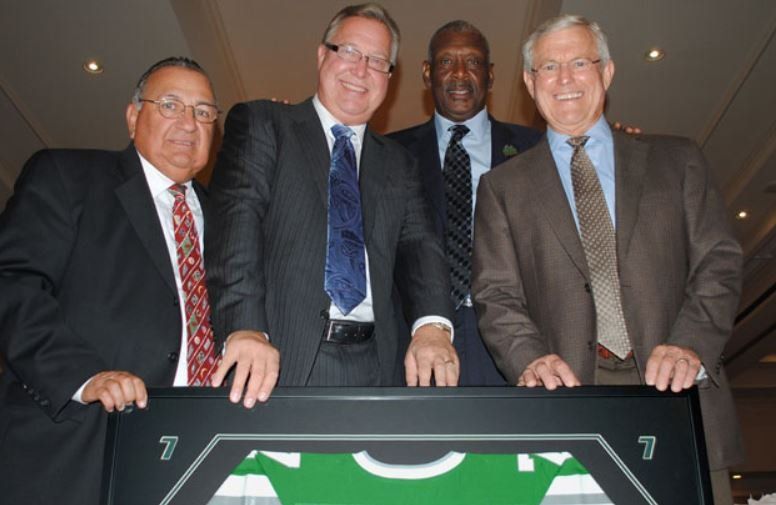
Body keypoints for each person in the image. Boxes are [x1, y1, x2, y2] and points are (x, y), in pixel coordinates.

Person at [471, 15, 743, 504]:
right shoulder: (501, 188)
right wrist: (529, 358)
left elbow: (719, 262)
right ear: (530, 83)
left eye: (579, 62)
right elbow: (495, 294)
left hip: (681, 396)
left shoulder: (677, 160)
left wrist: (690, 343)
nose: (565, 78)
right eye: (549, 66)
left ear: (608, 72)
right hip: (568, 407)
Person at [0, 57, 266, 505]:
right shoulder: (68, 177)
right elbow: (12, 282)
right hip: (74, 452)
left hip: (198, 459)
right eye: (170, 105)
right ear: (132, 116)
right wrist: (84, 377)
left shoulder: (231, 218)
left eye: (204, 112)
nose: (189, 123)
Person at [206, 3, 457, 397]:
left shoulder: (399, 163)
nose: (361, 70)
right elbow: (237, 224)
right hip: (280, 362)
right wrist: (244, 326)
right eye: (350, 52)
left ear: (390, 78)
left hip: (379, 368)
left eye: (377, 61)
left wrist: (432, 326)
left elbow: (421, 247)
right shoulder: (265, 125)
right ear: (323, 55)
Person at [389, 21, 541, 385]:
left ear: (489, 76)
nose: (459, 74)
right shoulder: (389, 153)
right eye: (446, 63)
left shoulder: (537, 149)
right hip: (416, 341)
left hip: (516, 340)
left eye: (472, 63)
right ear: (427, 74)